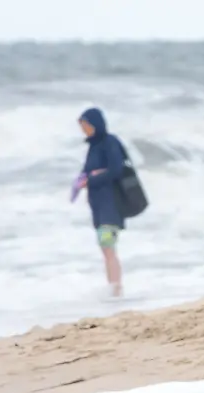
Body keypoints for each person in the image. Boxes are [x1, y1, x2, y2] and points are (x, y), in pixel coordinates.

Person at [76, 107, 127, 297]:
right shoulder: (93, 147)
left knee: (108, 246)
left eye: (86, 126)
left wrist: (94, 178)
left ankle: (116, 288)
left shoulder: (109, 142)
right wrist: (82, 181)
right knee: (105, 247)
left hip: (110, 204)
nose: (84, 130)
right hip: (97, 205)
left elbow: (116, 169)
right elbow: (87, 172)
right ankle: (113, 287)